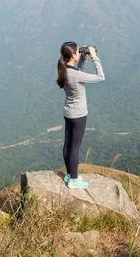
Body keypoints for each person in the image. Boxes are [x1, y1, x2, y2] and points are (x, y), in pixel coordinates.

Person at [56, 41, 105, 189]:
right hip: (78, 116)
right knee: (75, 148)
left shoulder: (63, 69)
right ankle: (74, 180)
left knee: (68, 145)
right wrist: (94, 57)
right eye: (78, 51)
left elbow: (77, 73)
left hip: (68, 113)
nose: (79, 53)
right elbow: (101, 77)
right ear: (73, 55)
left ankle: (70, 174)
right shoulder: (75, 75)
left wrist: (82, 57)